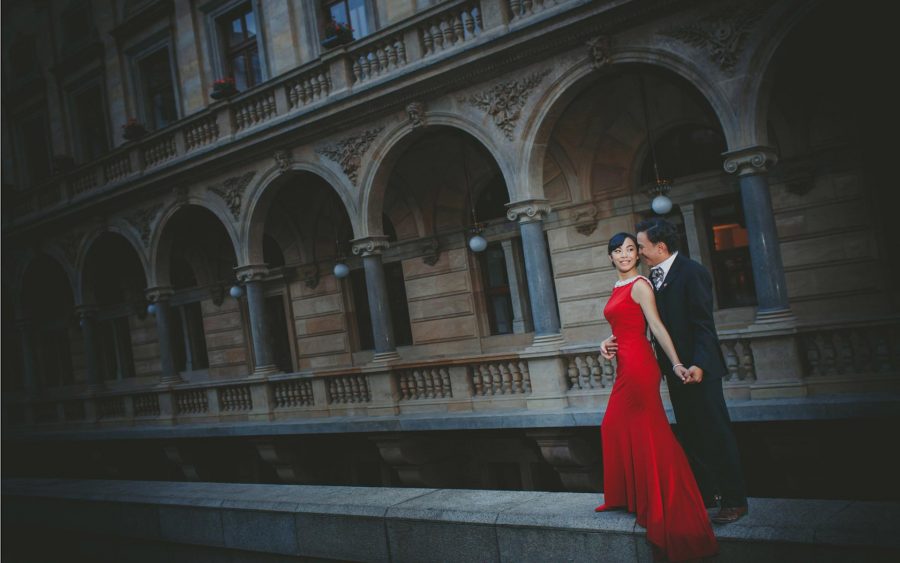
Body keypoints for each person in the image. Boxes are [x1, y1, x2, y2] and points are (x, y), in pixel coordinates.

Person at [602, 217, 748, 524]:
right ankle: (706, 496)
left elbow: (703, 325)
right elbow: (642, 321)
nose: (636, 253)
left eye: (639, 247)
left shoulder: (691, 272)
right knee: (692, 435)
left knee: (716, 433)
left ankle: (734, 502)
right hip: (672, 371)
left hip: (699, 370)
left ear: (660, 246)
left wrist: (698, 364)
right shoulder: (650, 278)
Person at [595, 232, 718, 562]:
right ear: (610, 256)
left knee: (649, 432)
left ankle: (661, 503)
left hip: (640, 367)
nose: (624, 255)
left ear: (637, 255)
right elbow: (624, 324)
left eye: (631, 250)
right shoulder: (618, 287)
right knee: (613, 427)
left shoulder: (640, 285)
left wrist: (676, 362)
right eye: (618, 250)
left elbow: (656, 326)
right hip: (625, 364)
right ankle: (627, 497)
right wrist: (604, 342)